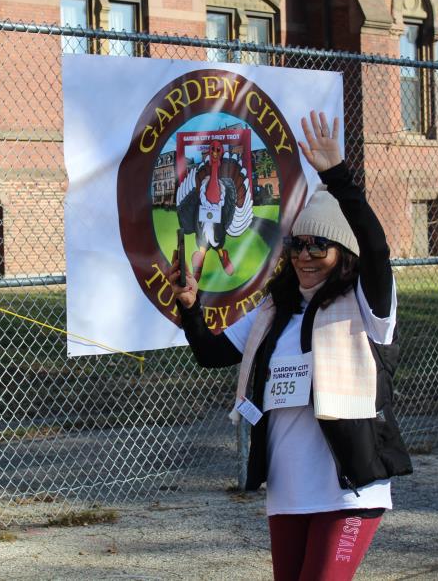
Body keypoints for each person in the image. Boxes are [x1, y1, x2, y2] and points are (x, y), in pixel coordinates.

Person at [166, 111, 412, 581]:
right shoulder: (274, 311)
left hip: (348, 489)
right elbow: (210, 354)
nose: (305, 256)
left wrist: (337, 176)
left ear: (345, 256)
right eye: (298, 245)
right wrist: (190, 307)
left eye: (320, 246)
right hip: (288, 491)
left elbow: (377, 250)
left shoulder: (367, 307)